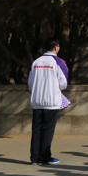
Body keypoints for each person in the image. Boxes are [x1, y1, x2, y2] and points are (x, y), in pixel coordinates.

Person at [28, 38, 69, 166]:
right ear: (56, 48)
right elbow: (64, 84)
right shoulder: (59, 62)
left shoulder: (36, 62)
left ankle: (35, 158)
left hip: (37, 101)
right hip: (51, 102)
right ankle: (45, 157)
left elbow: (30, 82)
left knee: (36, 130)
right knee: (48, 130)